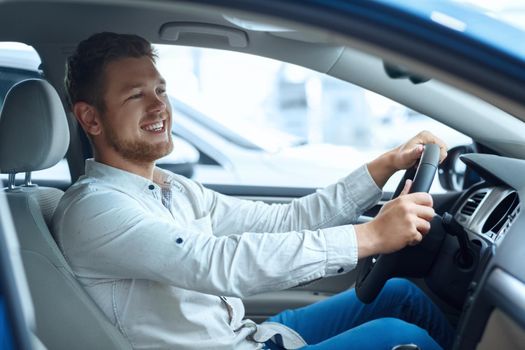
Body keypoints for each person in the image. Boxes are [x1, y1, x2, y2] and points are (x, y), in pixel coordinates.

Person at [52, 32, 454, 350]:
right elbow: (216, 264)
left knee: (401, 296)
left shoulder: (171, 189)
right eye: (135, 95)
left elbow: (284, 221)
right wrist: (370, 236)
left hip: (249, 338)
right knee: (401, 338)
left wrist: (384, 165)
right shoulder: (95, 208)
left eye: (160, 90)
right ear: (90, 118)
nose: (158, 107)